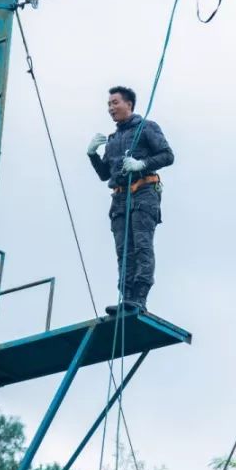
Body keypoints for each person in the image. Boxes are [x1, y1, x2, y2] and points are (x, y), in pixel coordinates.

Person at [87, 86, 174, 315]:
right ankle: (127, 298)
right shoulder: (114, 139)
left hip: (144, 192)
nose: (111, 108)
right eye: (109, 104)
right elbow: (105, 174)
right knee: (124, 250)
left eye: (115, 103)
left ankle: (140, 298)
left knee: (142, 246)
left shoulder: (146, 128)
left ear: (129, 104)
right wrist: (92, 155)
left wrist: (142, 164)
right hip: (119, 198)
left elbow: (167, 155)